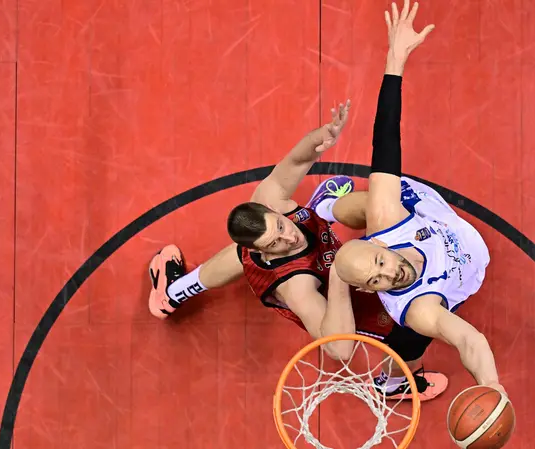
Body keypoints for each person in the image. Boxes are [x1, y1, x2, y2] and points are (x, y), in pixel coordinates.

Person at [146, 100, 448, 402]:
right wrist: (340, 274)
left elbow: (295, 162)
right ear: (263, 251)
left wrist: (322, 136)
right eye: (274, 244)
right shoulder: (296, 286)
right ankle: (393, 384)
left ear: (271, 211)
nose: (287, 238)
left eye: (280, 227)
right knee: (411, 328)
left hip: (312, 250)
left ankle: (324, 207)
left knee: (368, 206)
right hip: (332, 290)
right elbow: (339, 349)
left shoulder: (271, 201)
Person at [322, 0, 506, 396]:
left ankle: (328, 205)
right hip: (463, 273)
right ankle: (397, 380)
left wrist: (395, 59)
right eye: (377, 280)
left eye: (380, 262)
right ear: (371, 291)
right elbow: (468, 339)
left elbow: (385, 139)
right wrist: (491, 387)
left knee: (371, 197)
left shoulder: (386, 221)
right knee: (411, 340)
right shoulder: (419, 308)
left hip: (424, 214)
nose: (390, 274)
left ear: (378, 244)